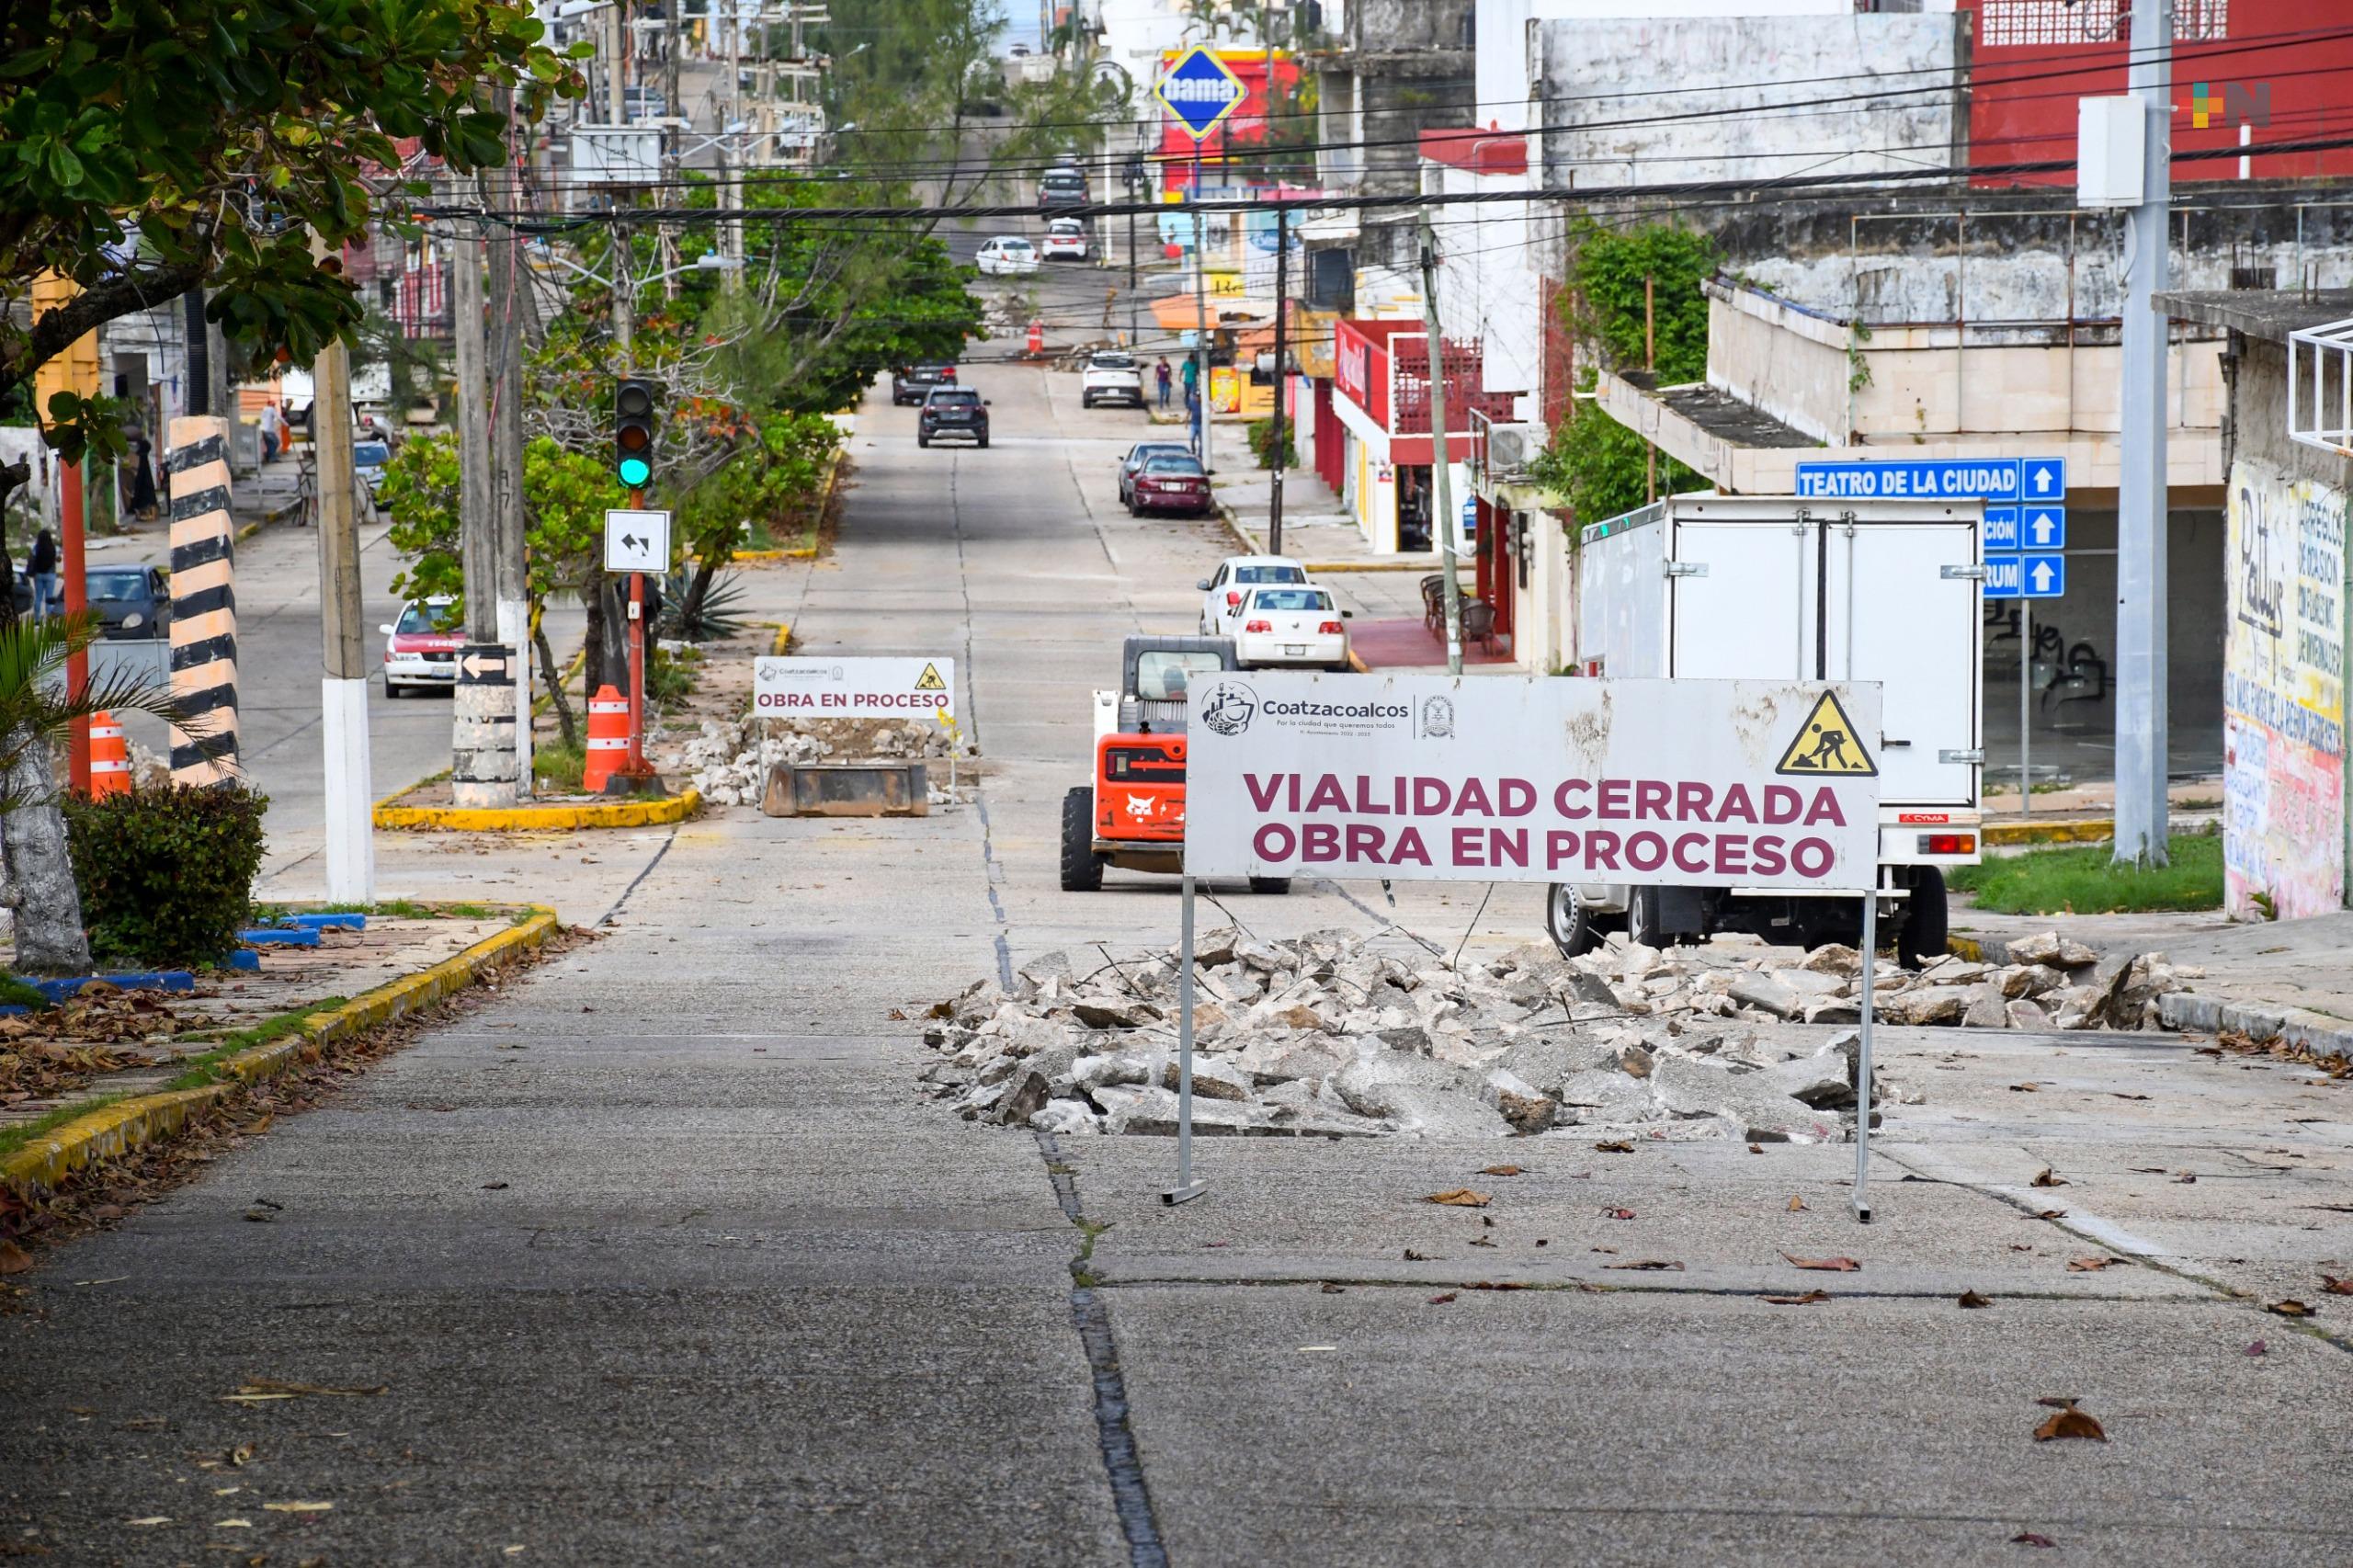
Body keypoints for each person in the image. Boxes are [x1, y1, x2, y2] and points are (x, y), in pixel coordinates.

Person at [28, 528, 57, 622]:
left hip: (38, 575)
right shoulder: (53, 547)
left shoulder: (36, 548)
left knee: (38, 597)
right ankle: (50, 619)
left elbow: (31, 559)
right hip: (50, 575)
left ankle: (37, 620)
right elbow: (59, 558)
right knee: (49, 598)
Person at [126, 435, 158, 518]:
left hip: (143, 476)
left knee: (140, 486)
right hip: (145, 480)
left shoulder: (142, 454)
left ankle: (137, 507)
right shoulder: (144, 453)